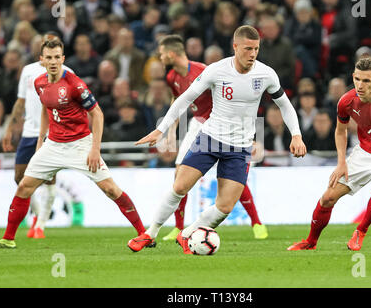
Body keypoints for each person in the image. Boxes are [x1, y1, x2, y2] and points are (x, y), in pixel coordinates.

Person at [128, 25, 306, 254]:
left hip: (240, 147)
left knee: (224, 206)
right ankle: (149, 233)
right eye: (247, 49)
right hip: (210, 137)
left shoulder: (266, 74)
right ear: (235, 47)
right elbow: (184, 99)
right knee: (180, 185)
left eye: (256, 49)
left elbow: (285, 105)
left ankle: (187, 234)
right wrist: (161, 129)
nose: (252, 54)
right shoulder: (216, 70)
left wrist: (297, 135)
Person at [0, 39, 146, 249]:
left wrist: (95, 149)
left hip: (80, 145)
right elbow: (46, 109)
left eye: (56, 57)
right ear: (41, 60)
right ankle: (8, 239)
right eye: (48, 58)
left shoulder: (74, 84)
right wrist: (42, 140)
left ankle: (143, 233)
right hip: (53, 145)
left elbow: (97, 114)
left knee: (111, 190)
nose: (53, 61)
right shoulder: (39, 82)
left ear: (62, 59)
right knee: (24, 186)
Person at [288, 55, 371, 251]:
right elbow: (340, 131)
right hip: (364, 153)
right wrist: (342, 162)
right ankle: (311, 241)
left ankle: (361, 230)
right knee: (328, 198)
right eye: (357, 79)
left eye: (366, 80)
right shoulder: (346, 101)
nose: (360, 84)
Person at [157, 34, 268, 242]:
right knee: (179, 174)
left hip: (222, 126)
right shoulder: (172, 77)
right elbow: (178, 99)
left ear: (171, 53)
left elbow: (229, 93)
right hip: (198, 124)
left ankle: (256, 222)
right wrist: (172, 131)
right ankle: (178, 227)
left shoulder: (201, 70)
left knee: (234, 180)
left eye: (162, 54)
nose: (160, 58)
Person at [0, 33, 71, 239]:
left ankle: (40, 226)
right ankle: (39, 214)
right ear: (41, 53)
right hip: (29, 132)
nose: (51, 58)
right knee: (19, 177)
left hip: (53, 133)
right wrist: (9, 129)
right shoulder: (28, 71)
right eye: (46, 52)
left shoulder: (68, 73)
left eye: (55, 54)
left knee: (48, 178)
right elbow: (20, 101)